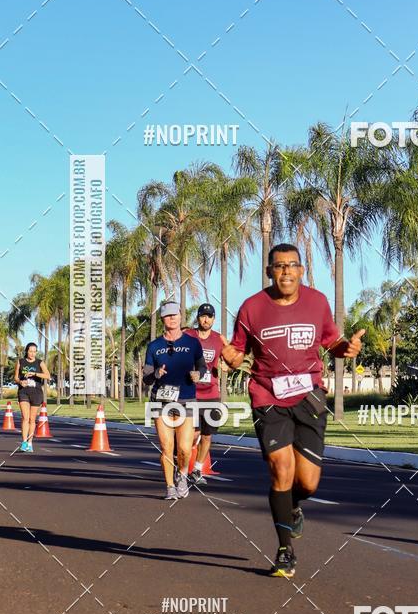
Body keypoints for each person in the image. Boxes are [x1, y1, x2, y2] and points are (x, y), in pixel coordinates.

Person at [222, 243, 364, 578]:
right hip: (267, 396)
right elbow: (238, 351)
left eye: (292, 265)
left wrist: (349, 348)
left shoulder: (317, 302)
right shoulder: (252, 308)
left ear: (302, 270)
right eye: (279, 266)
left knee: (309, 483)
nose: (286, 271)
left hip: (309, 398)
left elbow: (332, 344)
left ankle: (294, 505)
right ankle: (285, 550)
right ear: (269, 271)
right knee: (280, 469)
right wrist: (231, 357)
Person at [143, 301, 207, 500]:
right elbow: (146, 377)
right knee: (166, 447)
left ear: (180, 317)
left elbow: (202, 367)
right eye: (168, 316)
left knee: (185, 449)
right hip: (161, 402)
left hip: (186, 400)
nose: (172, 318)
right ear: (163, 319)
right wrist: (157, 374)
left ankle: (182, 475)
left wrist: (198, 374)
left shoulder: (192, 343)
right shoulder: (154, 346)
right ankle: (170, 487)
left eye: (175, 315)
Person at [185, 303, 226, 486]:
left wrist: (228, 366)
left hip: (211, 394)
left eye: (209, 316)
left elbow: (231, 358)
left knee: (207, 435)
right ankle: (182, 465)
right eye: (203, 316)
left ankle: (197, 470)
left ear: (213, 319)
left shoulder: (219, 339)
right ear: (198, 318)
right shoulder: (189, 336)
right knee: (193, 435)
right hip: (191, 393)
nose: (206, 319)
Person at [14, 343, 50, 452]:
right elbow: (15, 377)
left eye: (35, 351)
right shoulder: (20, 362)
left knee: (32, 419)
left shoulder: (40, 362)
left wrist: (34, 373)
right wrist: (20, 381)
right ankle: (24, 442)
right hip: (23, 391)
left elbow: (48, 375)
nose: (32, 353)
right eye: (30, 351)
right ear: (26, 351)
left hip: (37, 393)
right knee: (25, 418)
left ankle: (30, 443)